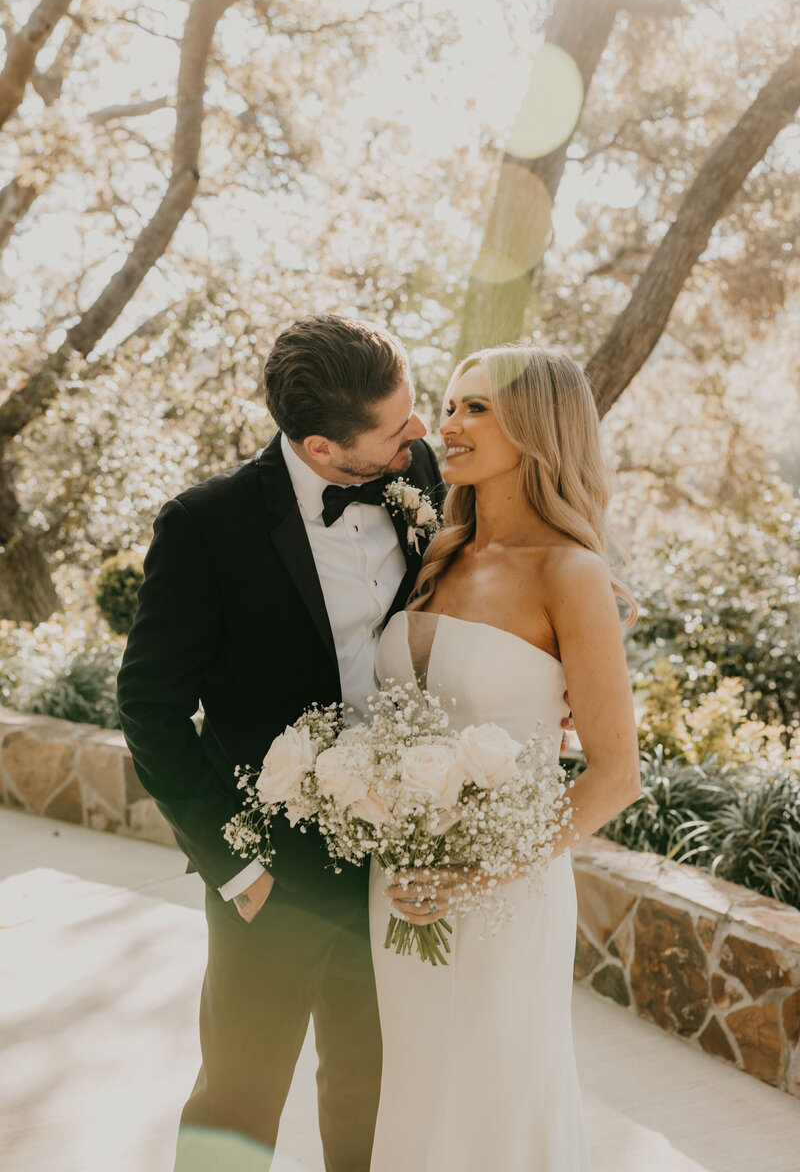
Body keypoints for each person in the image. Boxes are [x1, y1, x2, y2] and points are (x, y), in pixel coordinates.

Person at [116, 313, 446, 1171]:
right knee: (239, 1098)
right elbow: (148, 708)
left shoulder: (423, 476)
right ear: (323, 449)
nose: (422, 431)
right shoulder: (206, 527)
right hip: (270, 879)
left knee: (371, 1095)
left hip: (390, 867)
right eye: (397, 425)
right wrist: (237, 864)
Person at [368, 345, 641, 1172]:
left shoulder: (572, 572)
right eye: (450, 406)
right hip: (398, 888)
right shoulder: (437, 555)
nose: (448, 426)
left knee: (490, 1103)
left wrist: (477, 873)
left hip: (504, 899)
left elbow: (614, 775)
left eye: (475, 407)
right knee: (414, 1095)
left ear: (538, 428)